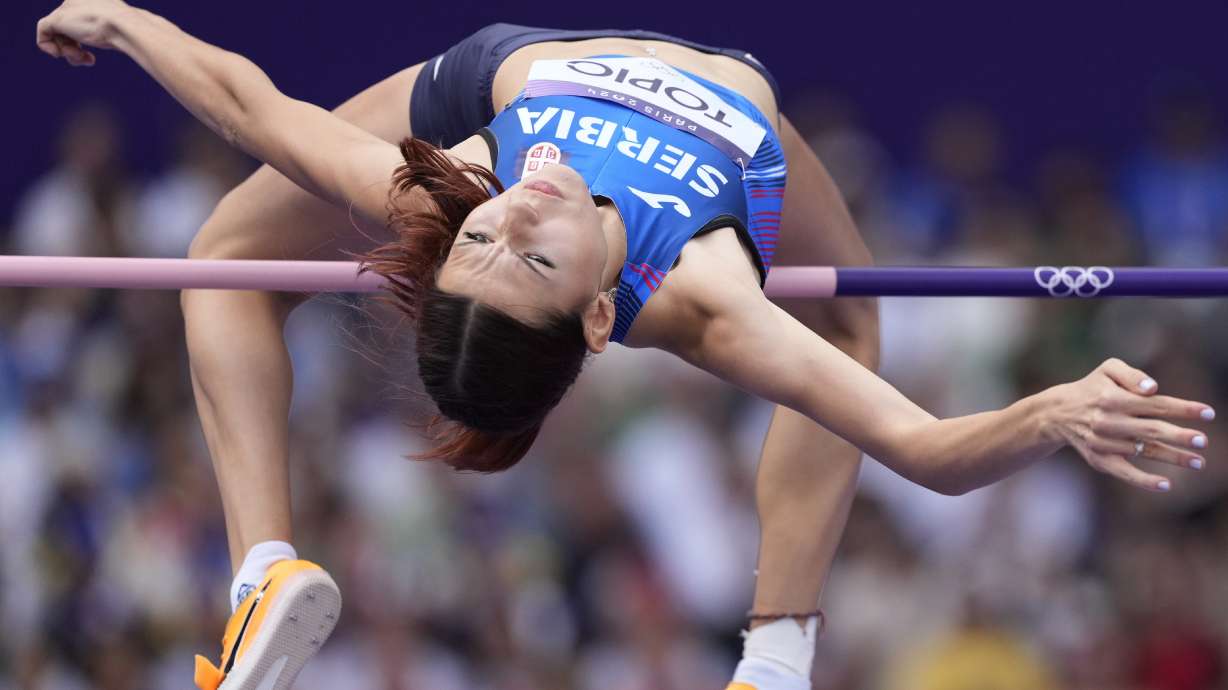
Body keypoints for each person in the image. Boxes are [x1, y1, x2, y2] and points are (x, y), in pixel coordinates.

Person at [35, 2, 1215, 690]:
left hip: (509, 66)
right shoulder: (706, 293)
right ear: (601, 316)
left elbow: (252, 106)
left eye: (485, 239)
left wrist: (129, 21)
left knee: (224, 248)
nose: (522, 209)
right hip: (736, 112)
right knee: (847, 320)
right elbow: (924, 450)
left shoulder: (461, 182)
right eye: (533, 256)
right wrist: (1052, 411)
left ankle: (264, 572)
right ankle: (776, 655)